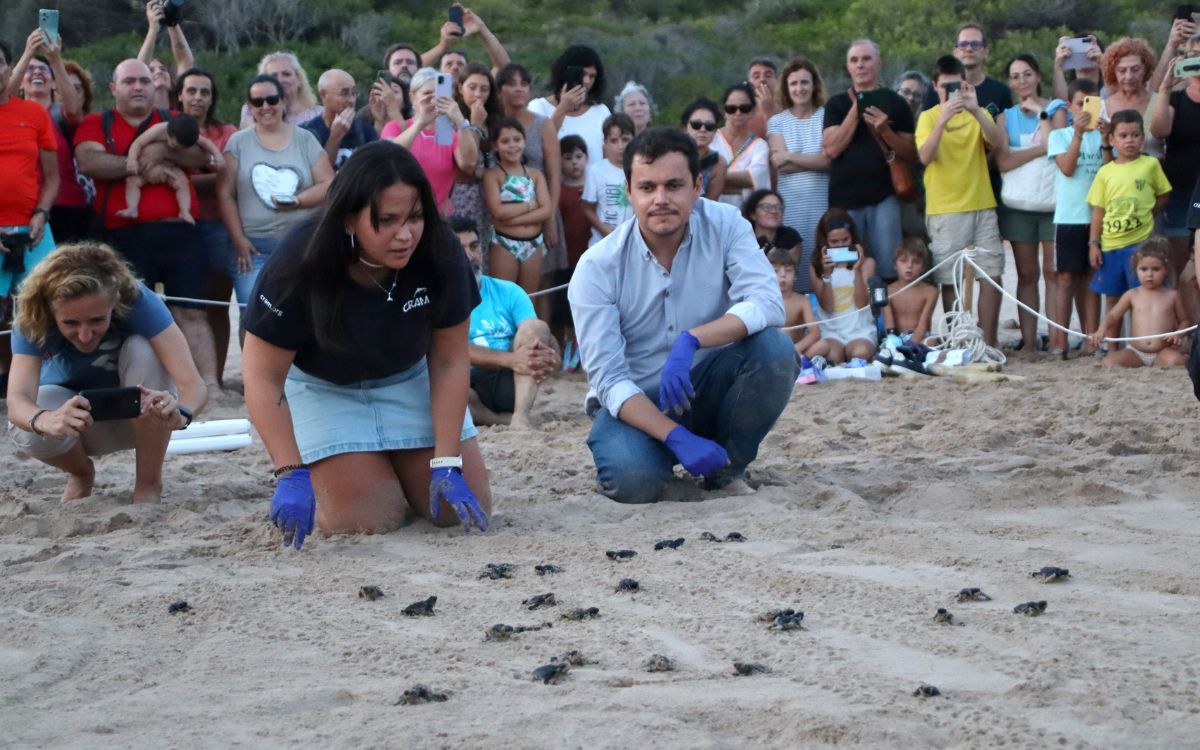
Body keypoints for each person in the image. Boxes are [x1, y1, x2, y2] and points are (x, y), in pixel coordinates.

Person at [241, 141, 489, 547]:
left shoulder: (442, 252)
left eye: (415, 217)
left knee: (457, 514)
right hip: (324, 387)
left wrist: (446, 462)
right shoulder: (298, 262)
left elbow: (448, 363)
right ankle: (353, 472)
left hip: (410, 377)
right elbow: (262, 376)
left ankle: (397, 465)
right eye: (387, 220)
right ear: (348, 219)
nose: (405, 234)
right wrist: (290, 471)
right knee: (367, 518)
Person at [568, 127, 796, 504]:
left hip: (711, 383)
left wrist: (692, 340)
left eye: (674, 186)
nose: (660, 199)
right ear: (628, 190)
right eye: (647, 187)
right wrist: (676, 436)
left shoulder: (727, 224)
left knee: (775, 349)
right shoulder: (596, 266)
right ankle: (662, 455)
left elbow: (769, 303)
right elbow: (608, 380)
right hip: (638, 402)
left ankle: (728, 470)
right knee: (632, 481)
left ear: (697, 185)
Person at [5, 242, 206, 503]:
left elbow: (195, 386)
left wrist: (181, 414)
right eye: (70, 323)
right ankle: (80, 472)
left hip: (140, 415)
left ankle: (148, 484)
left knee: (144, 349)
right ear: (51, 311)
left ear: (115, 303)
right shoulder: (33, 313)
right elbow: (17, 400)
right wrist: (46, 421)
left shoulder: (138, 299)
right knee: (28, 421)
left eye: (97, 320)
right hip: (74, 424)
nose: (85, 335)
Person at [73, 58, 219, 399]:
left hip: (181, 231)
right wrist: (138, 162)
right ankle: (134, 386)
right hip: (124, 232)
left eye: (144, 81)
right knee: (127, 313)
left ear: (156, 88)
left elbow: (199, 156)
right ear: (113, 89)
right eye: (129, 82)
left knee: (192, 309)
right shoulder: (98, 122)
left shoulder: (172, 119)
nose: (138, 87)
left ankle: (210, 384)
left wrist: (153, 153)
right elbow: (90, 161)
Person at [218, 74, 334, 310]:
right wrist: (239, 240)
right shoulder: (237, 143)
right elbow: (225, 193)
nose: (266, 107)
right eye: (258, 102)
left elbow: (328, 183)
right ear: (249, 107)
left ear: (283, 101)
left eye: (271, 99)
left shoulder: (305, 139)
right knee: (253, 313)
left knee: (305, 311)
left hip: (301, 243)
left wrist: (297, 201)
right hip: (254, 248)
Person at [916, 55, 1007, 346]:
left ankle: (989, 341)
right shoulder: (928, 117)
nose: (952, 91)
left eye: (957, 85)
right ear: (935, 86)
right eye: (946, 86)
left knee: (991, 275)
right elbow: (925, 157)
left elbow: (996, 142)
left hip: (982, 203)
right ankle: (959, 341)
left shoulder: (977, 112)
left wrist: (976, 109)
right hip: (946, 209)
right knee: (950, 279)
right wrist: (943, 118)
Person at [822, 39, 917, 280]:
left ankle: (886, 317)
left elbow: (911, 153)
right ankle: (854, 318)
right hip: (844, 201)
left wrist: (885, 131)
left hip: (884, 197)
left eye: (866, 59)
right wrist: (858, 107)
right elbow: (832, 149)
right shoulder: (836, 104)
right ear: (848, 67)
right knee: (845, 267)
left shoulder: (897, 103)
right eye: (854, 60)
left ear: (878, 62)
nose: (860, 65)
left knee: (888, 266)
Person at [454, 215, 561, 429]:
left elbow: (538, 335)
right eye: (460, 248)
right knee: (444, 391)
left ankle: (520, 416)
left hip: (514, 380)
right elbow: (452, 350)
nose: (469, 255)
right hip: (471, 386)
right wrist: (511, 359)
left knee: (535, 326)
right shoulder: (439, 298)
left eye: (474, 246)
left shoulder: (508, 291)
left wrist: (551, 358)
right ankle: (504, 421)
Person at [994, 53, 1067, 354]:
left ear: (1038, 76)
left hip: (1053, 202)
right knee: (1026, 274)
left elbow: (1060, 146)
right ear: (1010, 82)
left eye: (1027, 74)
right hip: (1018, 204)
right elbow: (1004, 161)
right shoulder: (1004, 117)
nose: (1022, 81)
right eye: (1015, 76)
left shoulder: (1056, 110)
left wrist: (1041, 113)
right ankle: (1029, 342)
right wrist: (1041, 148)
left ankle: (1057, 339)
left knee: (1053, 271)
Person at [174, 67, 237, 387]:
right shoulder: (167, 126)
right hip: (177, 224)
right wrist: (214, 179)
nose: (198, 98)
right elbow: (221, 176)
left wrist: (183, 178)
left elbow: (231, 177)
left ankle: (219, 378)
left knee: (216, 304)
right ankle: (187, 378)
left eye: (205, 92)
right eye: (192, 91)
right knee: (180, 306)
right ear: (180, 94)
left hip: (216, 223)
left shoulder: (225, 131)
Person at [5, 29, 88, 244]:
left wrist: (55, 59)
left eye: (44, 70)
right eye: (29, 70)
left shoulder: (59, 114)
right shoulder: (10, 110)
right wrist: (28, 53)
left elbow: (75, 109)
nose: (37, 73)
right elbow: (5, 93)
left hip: (65, 206)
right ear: (20, 82)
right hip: (21, 212)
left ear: (54, 84)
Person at [1086, 109, 1171, 316]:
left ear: (1142, 138)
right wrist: (1094, 244)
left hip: (1141, 245)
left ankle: (1140, 347)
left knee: (1142, 297)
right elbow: (1099, 210)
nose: (1129, 141)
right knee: (1113, 299)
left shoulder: (1150, 165)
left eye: (1135, 135)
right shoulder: (1105, 172)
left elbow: (1164, 194)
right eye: (1123, 136)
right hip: (1111, 246)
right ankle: (1114, 348)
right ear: (1112, 140)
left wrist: (1148, 214)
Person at [1048, 78, 1105, 357]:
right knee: (1066, 277)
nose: (1085, 109)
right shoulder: (1059, 136)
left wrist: (1106, 140)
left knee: (1092, 277)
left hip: (1098, 215)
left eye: (1092, 103)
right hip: (1069, 216)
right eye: (1080, 103)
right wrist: (1079, 134)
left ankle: (1091, 339)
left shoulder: (1107, 134)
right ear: (1069, 105)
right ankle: (1059, 339)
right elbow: (1067, 168)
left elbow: (1110, 172)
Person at [0, 37, 59, 301]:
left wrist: (42, 213)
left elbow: (52, 177)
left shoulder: (34, 113)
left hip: (33, 230)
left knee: (50, 307)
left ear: (10, 68)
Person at [768, 57, 830, 292]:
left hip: (821, 201)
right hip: (791, 204)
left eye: (805, 82)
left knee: (820, 257)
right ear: (786, 87)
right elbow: (778, 163)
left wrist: (790, 156)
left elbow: (828, 161)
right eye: (793, 83)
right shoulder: (777, 121)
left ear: (814, 85)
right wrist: (815, 161)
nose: (799, 88)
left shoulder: (827, 116)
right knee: (792, 261)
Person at [382, 68, 479, 215]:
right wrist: (420, 123)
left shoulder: (449, 135)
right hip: (400, 213)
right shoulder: (396, 127)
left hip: (436, 217)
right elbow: (388, 155)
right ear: (413, 97)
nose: (434, 99)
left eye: (439, 95)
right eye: (427, 94)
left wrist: (460, 121)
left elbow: (469, 164)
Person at [1090, 238, 1190, 367]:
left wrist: (1178, 333)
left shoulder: (1172, 295)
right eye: (1144, 269)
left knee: (1176, 361)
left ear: (1166, 269)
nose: (1149, 274)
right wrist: (1101, 329)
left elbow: (1185, 321)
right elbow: (1113, 316)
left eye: (1155, 269)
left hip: (1162, 351)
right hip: (1135, 352)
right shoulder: (1132, 294)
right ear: (1136, 270)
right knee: (1109, 362)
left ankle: (1184, 355)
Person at [482, 117, 554, 294]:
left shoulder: (535, 175)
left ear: (524, 141)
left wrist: (510, 218)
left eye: (517, 139)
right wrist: (531, 205)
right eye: (505, 141)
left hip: (533, 243)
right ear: (495, 146)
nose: (512, 145)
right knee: (503, 298)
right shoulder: (493, 175)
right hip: (504, 243)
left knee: (529, 298)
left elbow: (546, 210)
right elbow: (498, 212)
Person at [1149, 32, 1200, 279]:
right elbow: (1158, 130)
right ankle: (1185, 320)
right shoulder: (1176, 99)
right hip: (1180, 192)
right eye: (1193, 56)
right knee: (1177, 271)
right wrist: (1165, 88)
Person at [119, 114, 224, 224]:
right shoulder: (158, 129)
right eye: (173, 144)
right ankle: (132, 208)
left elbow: (206, 143)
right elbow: (138, 143)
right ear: (169, 132)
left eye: (180, 147)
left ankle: (184, 211)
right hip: (150, 166)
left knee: (183, 183)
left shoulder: (189, 133)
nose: (174, 147)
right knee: (132, 181)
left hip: (170, 168)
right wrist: (132, 160)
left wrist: (218, 155)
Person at [807, 209, 877, 363]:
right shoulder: (816, 267)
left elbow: (862, 303)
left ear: (853, 237)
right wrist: (826, 275)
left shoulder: (867, 262)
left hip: (860, 331)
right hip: (832, 333)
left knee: (860, 353)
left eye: (845, 240)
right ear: (825, 241)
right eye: (834, 242)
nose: (841, 246)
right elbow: (828, 306)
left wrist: (857, 270)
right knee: (833, 357)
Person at [529, 45, 611, 163]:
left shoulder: (601, 111)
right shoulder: (539, 107)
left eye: (592, 76)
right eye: (583, 74)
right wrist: (562, 109)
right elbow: (535, 149)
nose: (587, 81)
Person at [448, 63, 499, 243]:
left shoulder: (493, 119)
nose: (478, 94)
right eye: (472, 87)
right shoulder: (450, 120)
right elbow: (467, 165)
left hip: (489, 198)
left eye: (484, 89)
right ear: (461, 88)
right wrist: (475, 125)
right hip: (461, 197)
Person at [920, 23, 1013, 116]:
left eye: (975, 44)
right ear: (955, 52)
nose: (969, 49)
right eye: (963, 44)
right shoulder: (939, 88)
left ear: (986, 51)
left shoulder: (1001, 91)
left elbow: (1005, 129)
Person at [301, 69, 378, 169]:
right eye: (344, 93)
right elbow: (318, 176)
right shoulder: (306, 133)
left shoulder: (366, 131)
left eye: (354, 93)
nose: (351, 100)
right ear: (324, 95)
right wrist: (335, 137)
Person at [555, 134, 589, 353]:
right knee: (564, 304)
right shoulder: (558, 190)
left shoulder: (593, 186)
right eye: (568, 157)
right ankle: (566, 347)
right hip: (566, 257)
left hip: (590, 254)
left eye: (579, 156)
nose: (574, 162)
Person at [714, 82, 770, 208]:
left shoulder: (760, 146)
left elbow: (752, 178)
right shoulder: (711, 140)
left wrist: (715, 177)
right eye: (731, 108)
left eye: (744, 108)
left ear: (752, 111)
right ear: (724, 111)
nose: (737, 113)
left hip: (745, 218)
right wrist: (742, 186)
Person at [1101, 38, 1160, 158]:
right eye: (1122, 71)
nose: (1129, 76)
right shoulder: (1102, 107)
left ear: (1146, 69)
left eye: (1135, 69)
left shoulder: (1158, 103)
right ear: (1113, 72)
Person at [582, 113, 635, 245]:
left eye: (625, 139)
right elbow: (587, 207)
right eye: (614, 140)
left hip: (633, 240)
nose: (620, 146)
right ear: (605, 142)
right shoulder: (596, 171)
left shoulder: (641, 170)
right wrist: (605, 230)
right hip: (602, 242)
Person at [420, 5, 511, 78]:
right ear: (439, 70)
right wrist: (441, 47)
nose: (455, 67)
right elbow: (412, 69)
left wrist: (482, 29)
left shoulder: (477, 91)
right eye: (448, 64)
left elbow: (504, 68)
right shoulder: (429, 92)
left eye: (460, 64)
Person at [136, 0, 195, 111]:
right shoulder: (138, 112)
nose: (159, 71)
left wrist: (172, 22)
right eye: (151, 70)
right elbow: (138, 69)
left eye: (163, 69)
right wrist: (153, 29)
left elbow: (185, 61)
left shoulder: (182, 107)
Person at [238, 51, 322, 128]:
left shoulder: (319, 114)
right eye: (273, 76)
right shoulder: (251, 110)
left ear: (299, 79)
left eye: (286, 74)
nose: (280, 80)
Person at [884, 237, 939, 344]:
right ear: (895, 265)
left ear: (923, 267)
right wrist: (894, 342)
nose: (909, 266)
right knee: (886, 347)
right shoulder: (888, 290)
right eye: (903, 261)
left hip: (921, 336)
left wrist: (911, 345)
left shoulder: (931, 291)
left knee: (931, 342)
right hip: (896, 337)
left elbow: (924, 324)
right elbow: (889, 323)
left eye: (916, 262)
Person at [767, 246, 820, 356]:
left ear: (795, 275)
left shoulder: (802, 301)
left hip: (797, 350)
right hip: (771, 353)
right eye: (776, 271)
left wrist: (796, 348)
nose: (783, 275)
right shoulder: (764, 300)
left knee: (823, 345)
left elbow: (814, 333)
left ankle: (801, 362)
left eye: (788, 270)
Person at [680, 98, 727, 201]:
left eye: (709, 126)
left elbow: (710, 203)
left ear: (715, 130)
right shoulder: (672, 156)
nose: (703, 130)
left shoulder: (718, 162)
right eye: (696, 125)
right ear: (685, 128)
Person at [743, 189, 801, 255]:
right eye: (766, 207)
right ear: (752, 214)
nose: (774, 211)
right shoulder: (743, 238)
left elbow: (790, 264)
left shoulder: (791, 237)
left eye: (779, 207)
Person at [1051, 34, 1105, 102]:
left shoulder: (1108, 87)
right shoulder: (1066, 89)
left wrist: (1102, 62)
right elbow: (1060, 104)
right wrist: (1058, 65)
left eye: (1091, 49)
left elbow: (1113, 93)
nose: (1086, 54)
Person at [747, 58, 782, 137]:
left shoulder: (789, 108)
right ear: (749, 83)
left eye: (768, 76)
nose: (762, 79)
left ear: (777, 81)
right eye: (756, 76)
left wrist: (769, 113)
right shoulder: (742, 110)